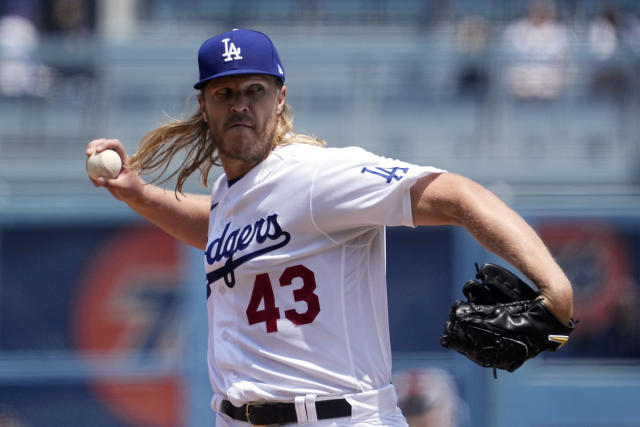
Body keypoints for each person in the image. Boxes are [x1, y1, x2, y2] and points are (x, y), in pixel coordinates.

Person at [86, 29, 574, 426]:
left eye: (255, 90)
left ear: (279, 99)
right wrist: (140, 194)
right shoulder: (230, 195)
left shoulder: (317, 175)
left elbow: (460, 195)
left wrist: (555, 286)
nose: (240, 104)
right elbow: (216, 229)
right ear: (205, 107)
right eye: (225, 92)